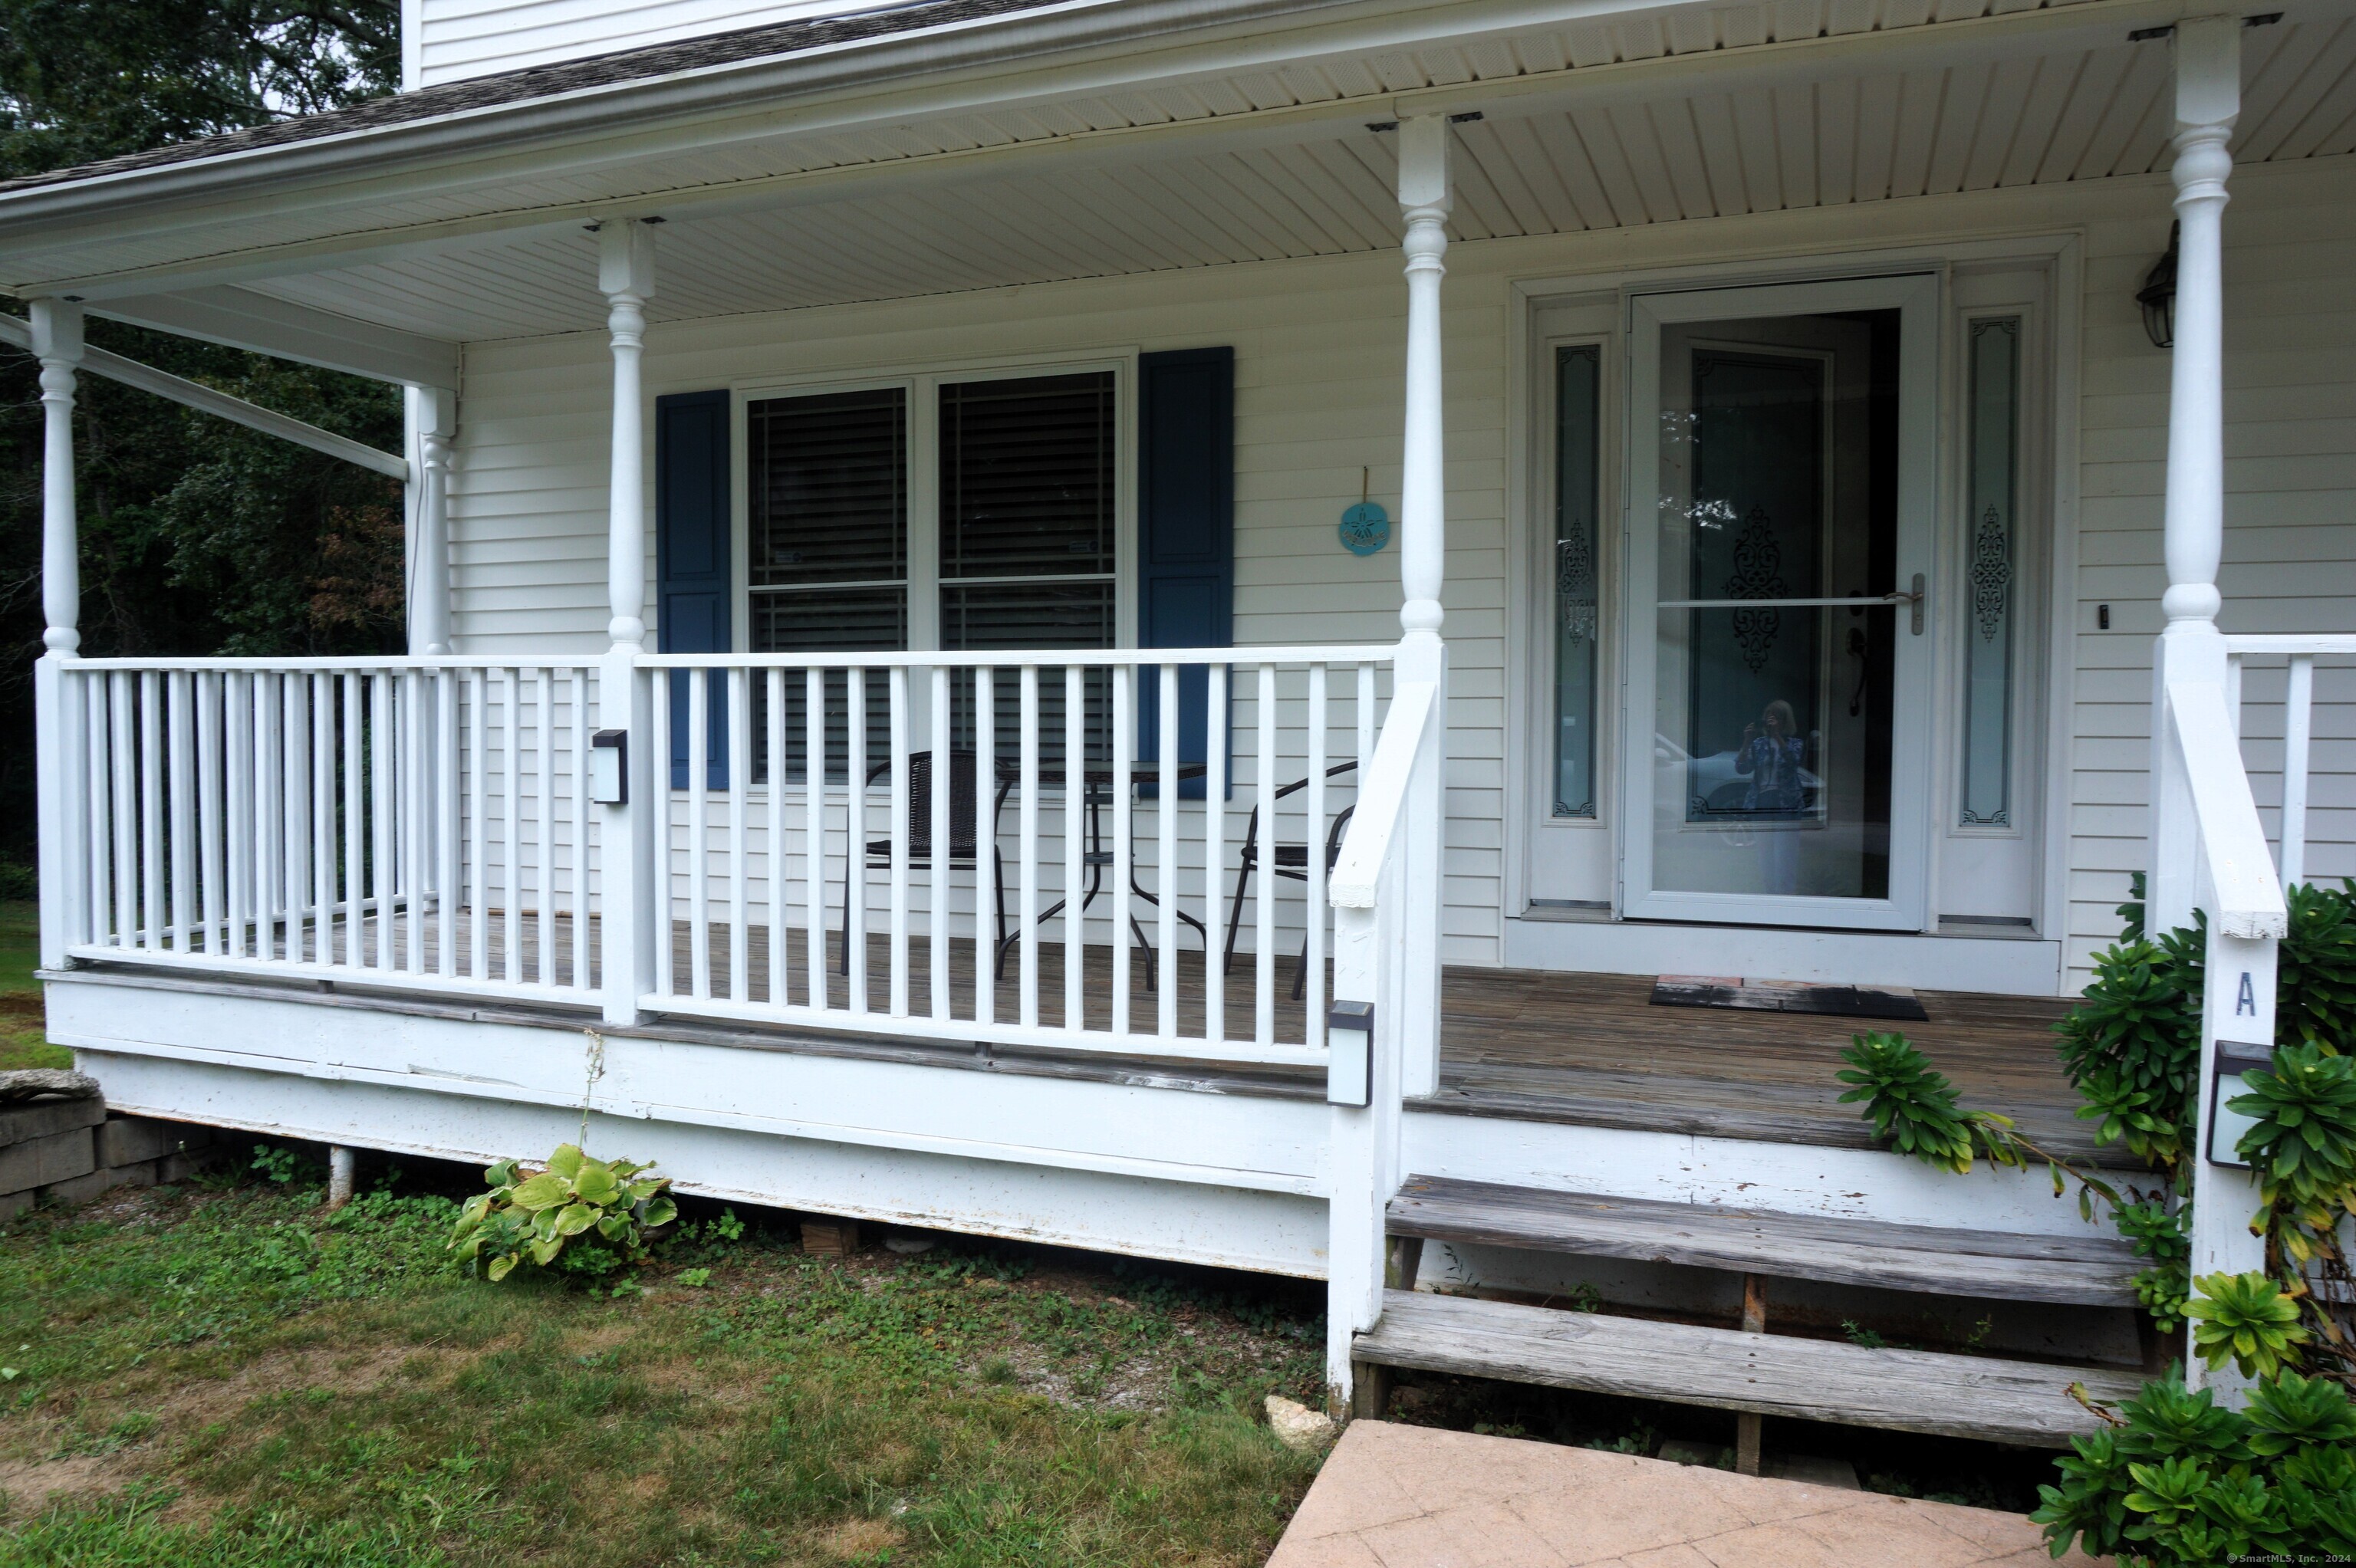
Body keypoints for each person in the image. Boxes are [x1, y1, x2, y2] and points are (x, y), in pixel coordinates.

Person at [1733, 699, 1807, 817]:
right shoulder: (1759, 744)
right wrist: (1747, 741)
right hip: (1761, 797)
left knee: (1785, 835)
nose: (1772, 722)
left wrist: (1776, 735)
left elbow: (1793, 763)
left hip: (1787, 801)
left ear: (1785, 721)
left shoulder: (1795, 743)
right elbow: (1741, 769)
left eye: (1776, 718)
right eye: (1769, 718)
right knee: (1762, 834)